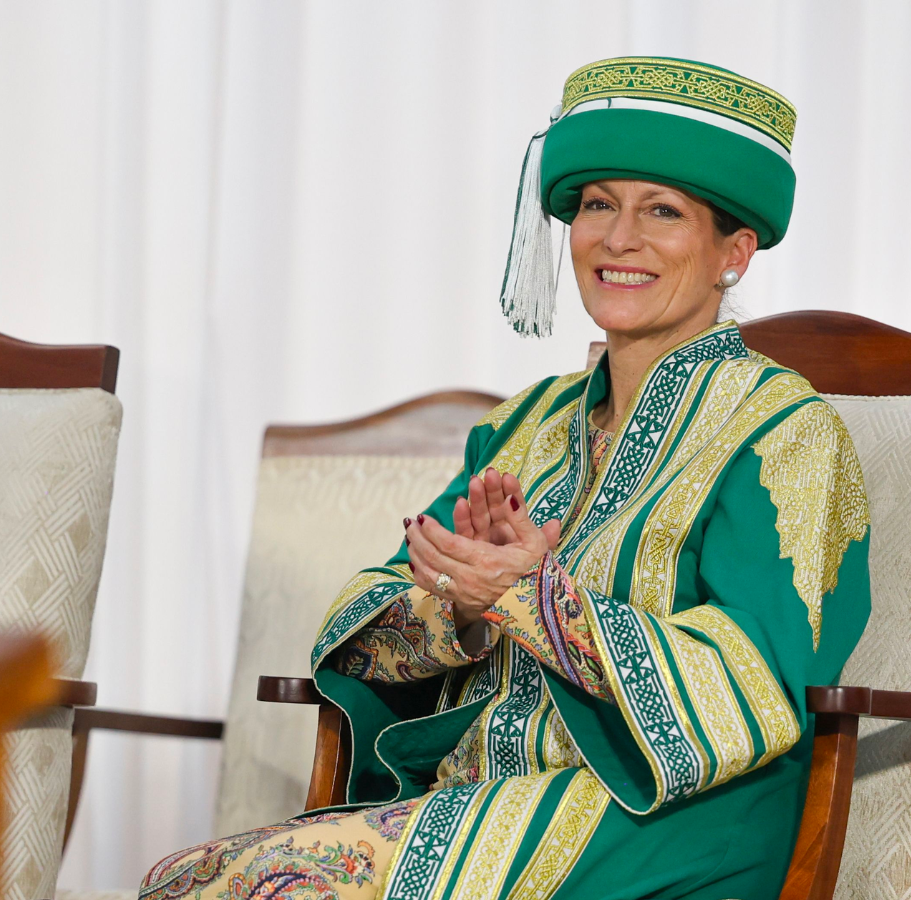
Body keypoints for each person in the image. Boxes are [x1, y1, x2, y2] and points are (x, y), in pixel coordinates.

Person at [140, 57, 872, 899]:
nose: (617, 238)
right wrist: (464, 609)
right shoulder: (524, 427)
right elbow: (366, 612)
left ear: (733, 252)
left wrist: (538, 600)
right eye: (598, 204)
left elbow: (755, 686)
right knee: (182, 878)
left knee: (265, 886)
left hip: (674, 823)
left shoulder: (781, 432)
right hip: (489, 794)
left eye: (661, 212)